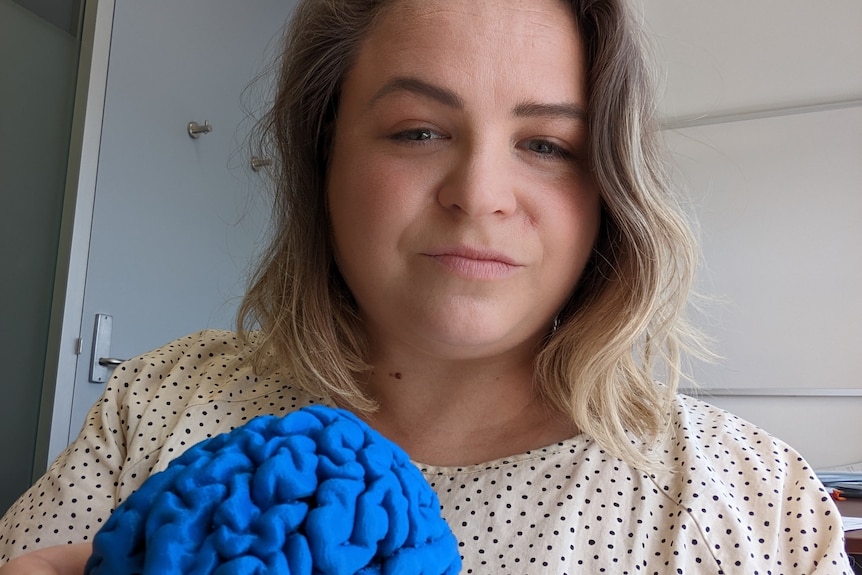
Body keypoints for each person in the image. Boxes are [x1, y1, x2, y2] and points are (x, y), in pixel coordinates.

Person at [0, 0, 852, 572]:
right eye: (417, 130)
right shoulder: (160, 404)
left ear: (610, 189)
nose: (480, 192)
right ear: (324, 156)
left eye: (548, 144)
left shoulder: (752, 500)